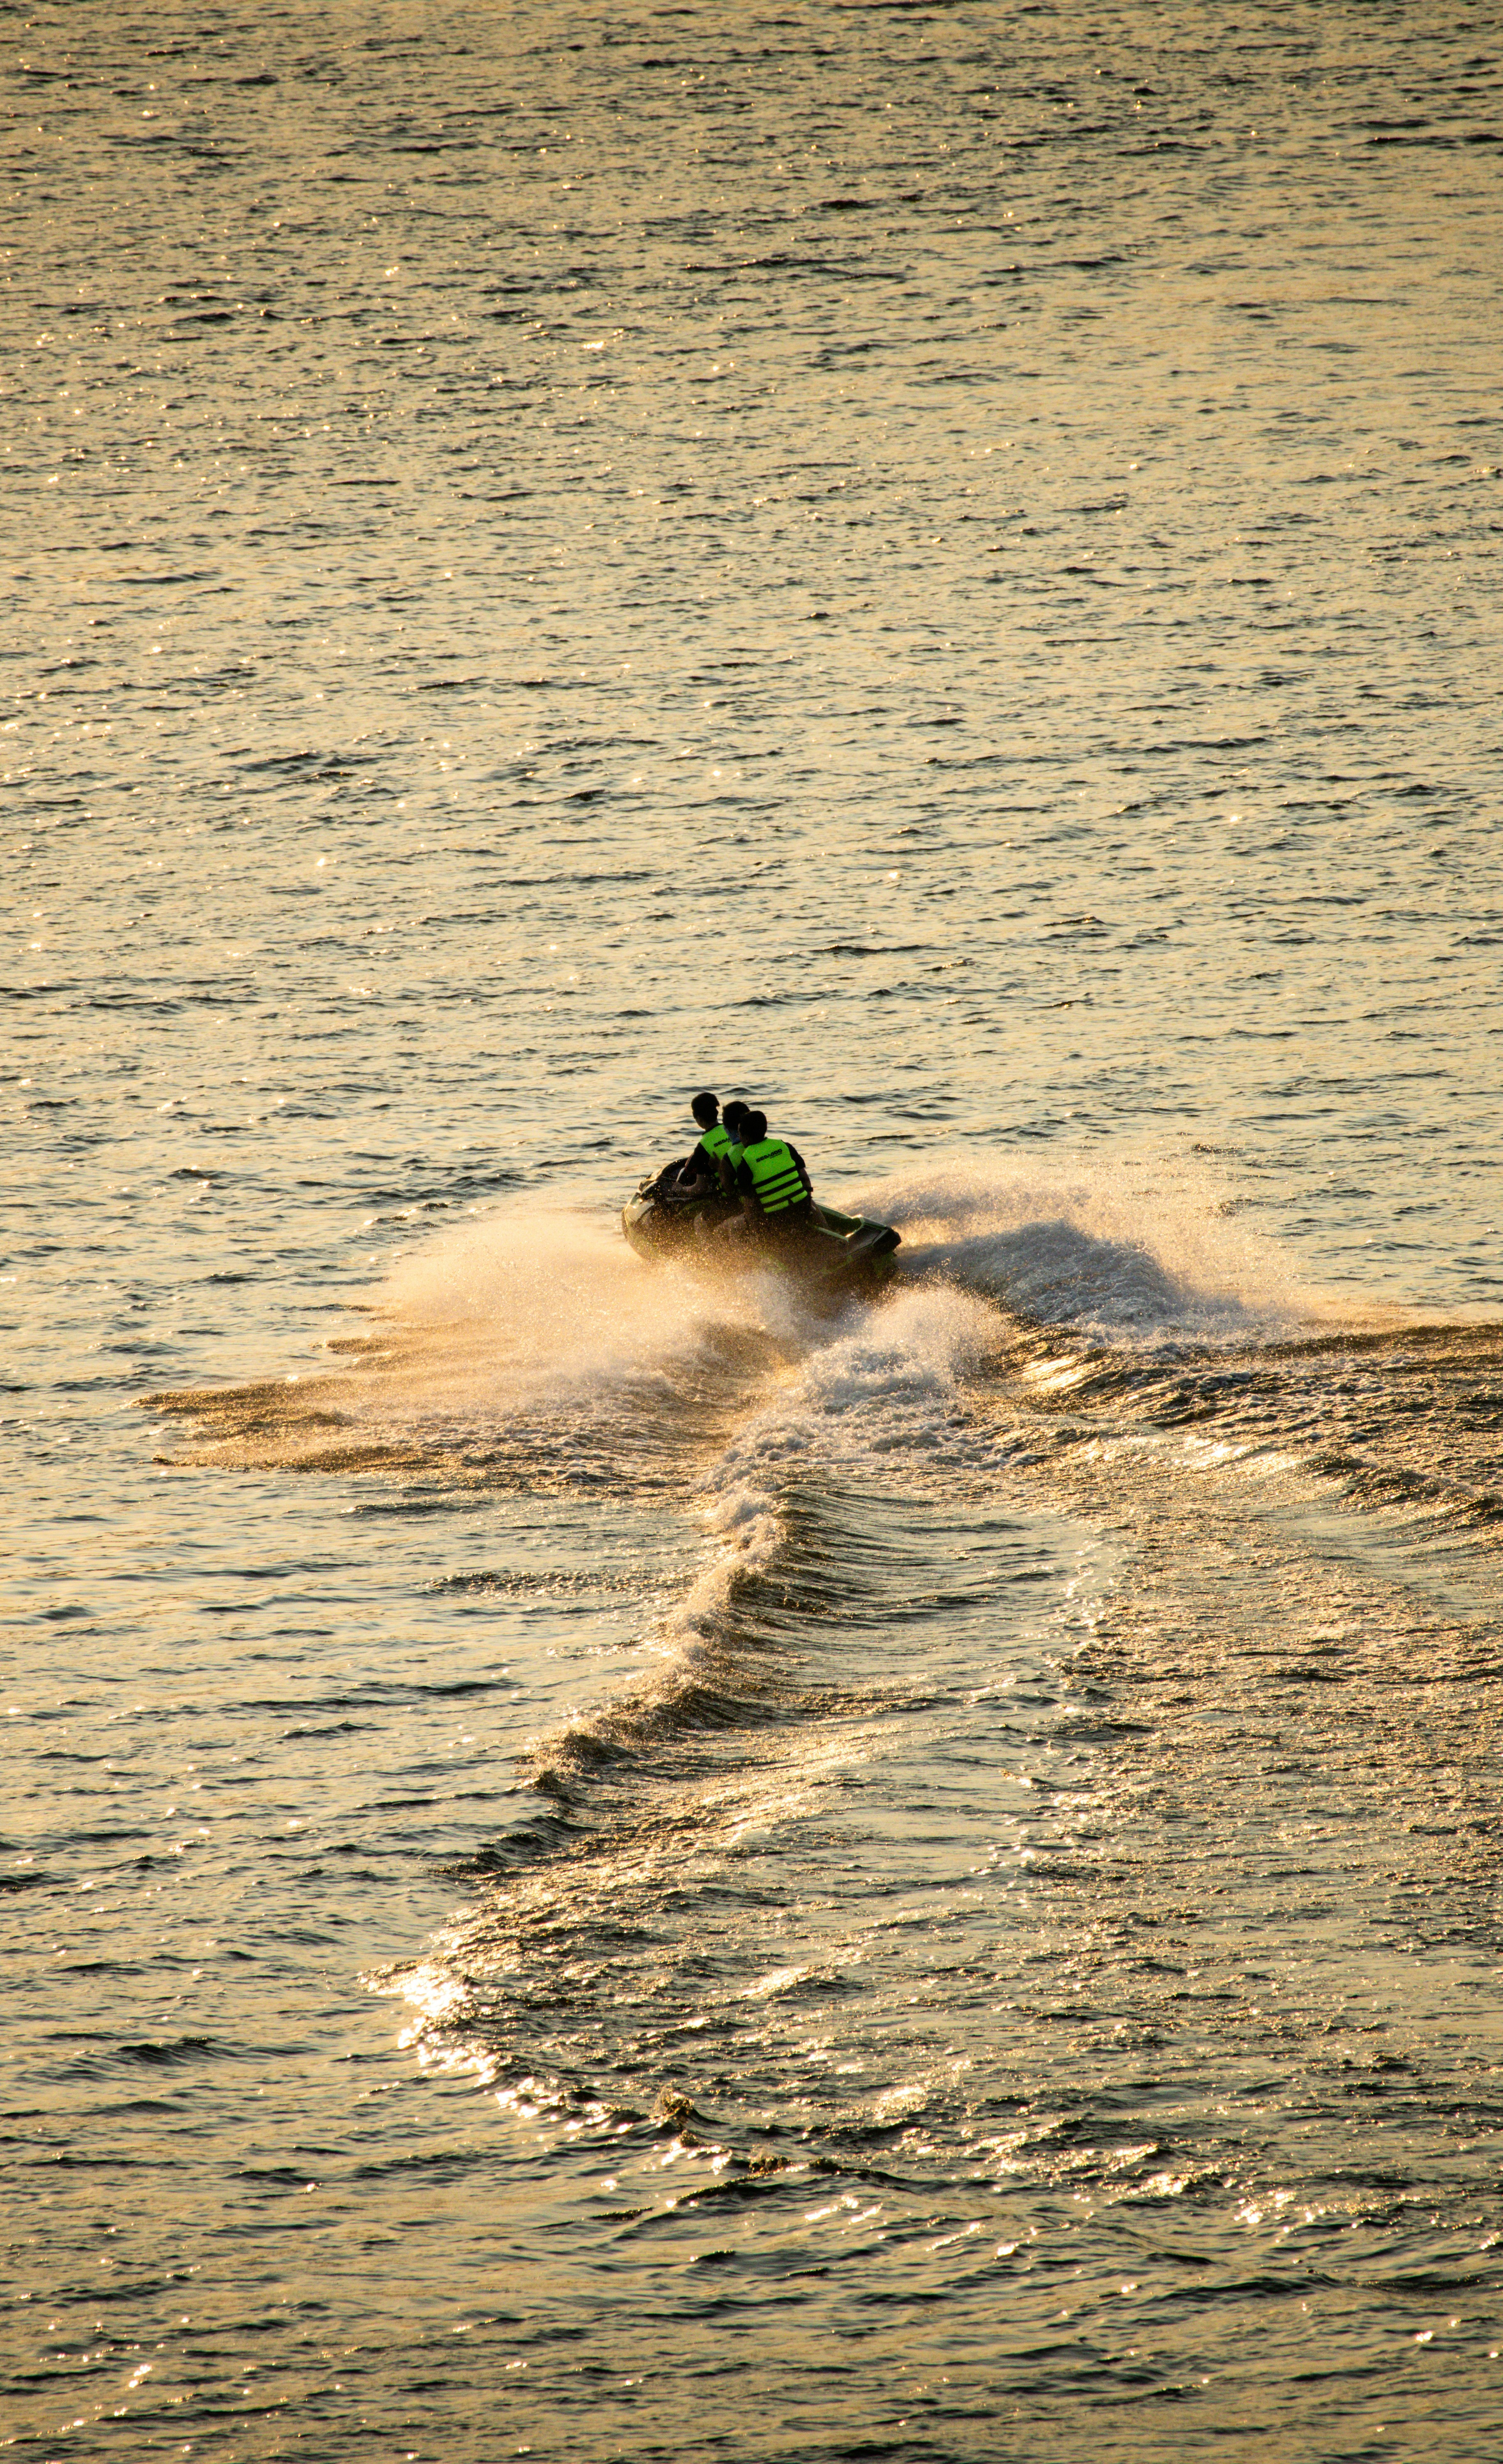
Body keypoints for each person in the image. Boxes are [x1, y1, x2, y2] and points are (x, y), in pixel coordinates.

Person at [734, 1109, 816, 1241]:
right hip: (801, 1209)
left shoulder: (745, 1164)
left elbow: (750, 1204)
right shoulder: (785, 1146)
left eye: (739, 1134)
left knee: (731, 1227)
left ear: (747, 1138)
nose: (739, 1138)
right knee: (812, 1203)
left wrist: (756, 1232)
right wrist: (808, 1206)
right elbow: (805, 1178)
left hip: (775, 1220)